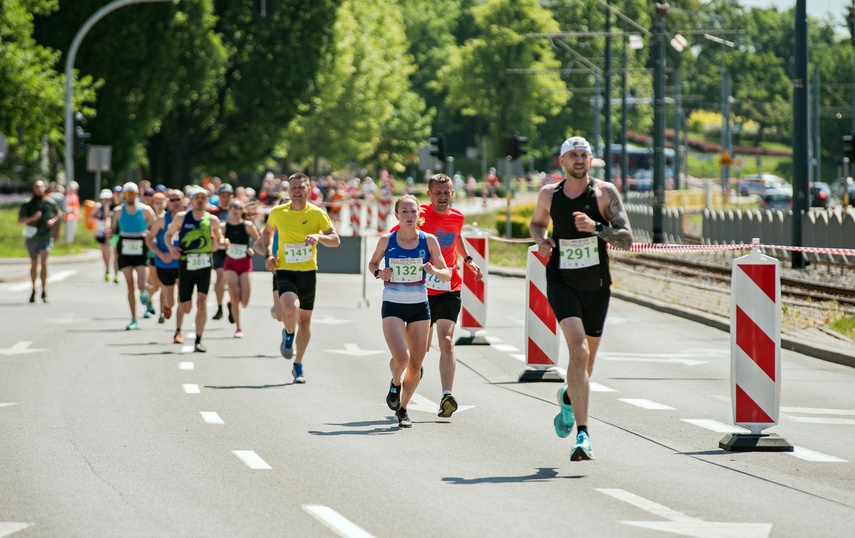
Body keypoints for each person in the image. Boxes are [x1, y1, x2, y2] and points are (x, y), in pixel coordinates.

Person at [528, 136, 633, 461]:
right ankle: (583, 436)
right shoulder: (550, 194)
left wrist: (596, 227)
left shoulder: (605, 193)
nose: (578, 160)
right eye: (572, 155)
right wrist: (542, 241)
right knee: (579, 349)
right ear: (562, 162)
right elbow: (536, 223)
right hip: (562, 282)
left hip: (597, 286)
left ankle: (569, 398)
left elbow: (627, 239)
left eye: (583, 155)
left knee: (585, 364)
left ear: (590, 161)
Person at [390, 173, 484, 418]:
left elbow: (455, 237)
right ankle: (399, 381)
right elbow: (396, 234)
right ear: (429, 195)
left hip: (448, 286)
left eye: (447, 192)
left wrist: (468, 260)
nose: (443, 197)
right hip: (419, 290)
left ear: (452, 192)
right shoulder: (418, 214)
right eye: (438, 193)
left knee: (446, 340)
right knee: (417, 355)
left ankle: (446, 396)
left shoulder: (458, 216)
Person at [368, 194, 451, 428]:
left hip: (419, 307)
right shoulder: (387, 241)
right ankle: (395, 382)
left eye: (413, 211)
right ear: (396, 216)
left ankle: (403, 408)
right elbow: (373, 264)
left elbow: (447, 273)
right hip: (393, 304)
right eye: (404, 212)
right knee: (401, 358)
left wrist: (434, 270)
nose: (409, 216)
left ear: (419, 215)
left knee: (415, 364)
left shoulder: (429, 241)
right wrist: (379, 273)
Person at [261, 172, 340, 383]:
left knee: (305, 323)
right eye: (293, 188)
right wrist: (269, 254)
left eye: (301, 187)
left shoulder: (317, 213)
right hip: (285, 270)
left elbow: (335, 240)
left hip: (308, 272)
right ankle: (288, 333)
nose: (297, 191)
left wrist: (319, 236)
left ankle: (298, 364)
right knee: (289, 308)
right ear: (288, 190)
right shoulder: (278, 212)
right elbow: (267, 233)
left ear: (308, 189)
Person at [165, 186, 225, 353]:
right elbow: (168, 235)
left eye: (203, 198)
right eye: (196, 197)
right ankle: (179, 328)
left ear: (207, 201)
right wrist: (171, 249)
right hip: (186, 265)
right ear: (190, 200)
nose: (200, 200)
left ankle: (198, 339)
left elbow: (218, 241)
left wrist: (220, 242)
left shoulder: (212, 220)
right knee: (186, 307)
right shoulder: (181, 218)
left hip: (204, 265)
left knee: (201, 302)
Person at [108, 182, 157, 330]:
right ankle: (134, 318)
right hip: (125, 249)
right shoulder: (117, 212)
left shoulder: (146, 210)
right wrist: (112, 244)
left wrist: (149, 234)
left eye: (132, 194)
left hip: (141, 248)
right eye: (127, 194)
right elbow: (113, 231)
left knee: (142, 283)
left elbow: (155, 226)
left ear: (137, 194)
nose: (130, 197)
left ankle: (147, 299)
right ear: (123, 195)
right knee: (130, 285)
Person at [145, 189, 186, 343]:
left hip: (183, 264)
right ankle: (167, 305)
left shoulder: (189, 219)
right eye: (172, 200)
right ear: (168, 202)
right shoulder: (163, 219)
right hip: (165, 264)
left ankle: (178, 331)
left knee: (183, 297)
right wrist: (161, 254)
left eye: (178, 199)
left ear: (183, 201)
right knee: (171, 300)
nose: (175, 203)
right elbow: (149, 239)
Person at [221, 198, 260, 338]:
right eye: (232, 207)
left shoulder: (248, 226)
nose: (235, 210)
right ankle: (238, 327)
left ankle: (231, 302)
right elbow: (216, 240)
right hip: (230, 263)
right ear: (229, 210)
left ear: (242, 210)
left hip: (244, 263)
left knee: (244, 301)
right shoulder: (224, 227)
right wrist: (223, 242)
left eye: (238, 207)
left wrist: (251, 249)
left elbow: (258, 241)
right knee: (234, 293)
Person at [17, 179, 61, 303]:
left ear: (44, 188)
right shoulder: (28, 204)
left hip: (46, 237)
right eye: (37, 187)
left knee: (44, 260)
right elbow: (20, 220)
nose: (39, 189)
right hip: (32, 238)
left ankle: (43, 290)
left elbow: (58, 213)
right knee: (34, 263)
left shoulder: (50, 202)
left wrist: (53, 220)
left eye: (41, 187)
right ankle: (33, 289)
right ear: (33, 189)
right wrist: (32, 218)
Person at [207, 183, 234, 321]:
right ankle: (219, 307)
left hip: (233, 249)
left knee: (232, 280)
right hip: (218, 248)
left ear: (232, 196)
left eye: (228, 196)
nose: (225, 198)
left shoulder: (236, 210)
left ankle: (232, 304)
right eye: (223, 195)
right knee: (220, 276)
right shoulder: (213, 213)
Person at [89, 189, 114, 281]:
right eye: (104, 198)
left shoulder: (113, 207)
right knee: (103, 250)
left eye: (107, 198)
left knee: (109, 249)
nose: (106, 200)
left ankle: (111, 267)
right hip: (100, 230)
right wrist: (98, 216)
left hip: (110, 230)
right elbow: (91, 217)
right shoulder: (98, 206)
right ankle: (106, 268)